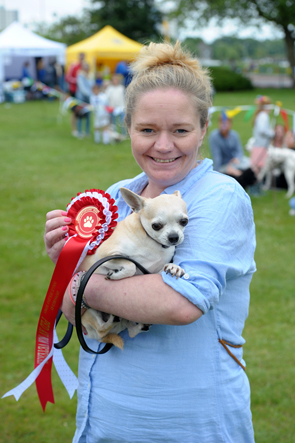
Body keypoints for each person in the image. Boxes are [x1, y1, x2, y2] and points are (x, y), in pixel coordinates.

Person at [44, 41, 256, 442]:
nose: (162, 145)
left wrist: (83, 279)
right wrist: (67, 260)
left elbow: (178, 302)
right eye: (147, 130)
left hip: (185, 422)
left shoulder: (218, 196)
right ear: (127, 128)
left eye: (180, 130)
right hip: (107, 418)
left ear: (204, 129)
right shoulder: (117, 196)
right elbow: (79, 318)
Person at [209, 113, 256, 189]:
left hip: (235, 162)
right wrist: (218, 172)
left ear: (230, 124)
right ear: (219, 123)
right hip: (223, 164)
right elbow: (217, 157)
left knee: (252, 165)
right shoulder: (214, 137)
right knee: (233, 173)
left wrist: (237, 158)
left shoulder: (234, 135)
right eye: (222, 123)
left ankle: (253, 187)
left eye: (227, 123)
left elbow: (239, 151)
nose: (224, 126)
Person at [250, 95, 275, 175]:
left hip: (259, 144)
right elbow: (262, 130)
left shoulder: (260, 115)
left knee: (257, 166)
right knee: (257, 166)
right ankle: (255, 183)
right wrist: (271, 133)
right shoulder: (263, 116)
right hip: (261, 145)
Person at [75, 62, 93, 138]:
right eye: (85, 67)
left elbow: (92, 85)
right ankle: (79, 132)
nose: (86, 69)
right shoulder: (80, 75)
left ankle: (87, 132)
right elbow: (82, 87)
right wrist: (89, 95)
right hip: (81, 98)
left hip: (89, 97)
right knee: (80, 114)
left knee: (88, 114)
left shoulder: (90, 75)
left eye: (87, 67)